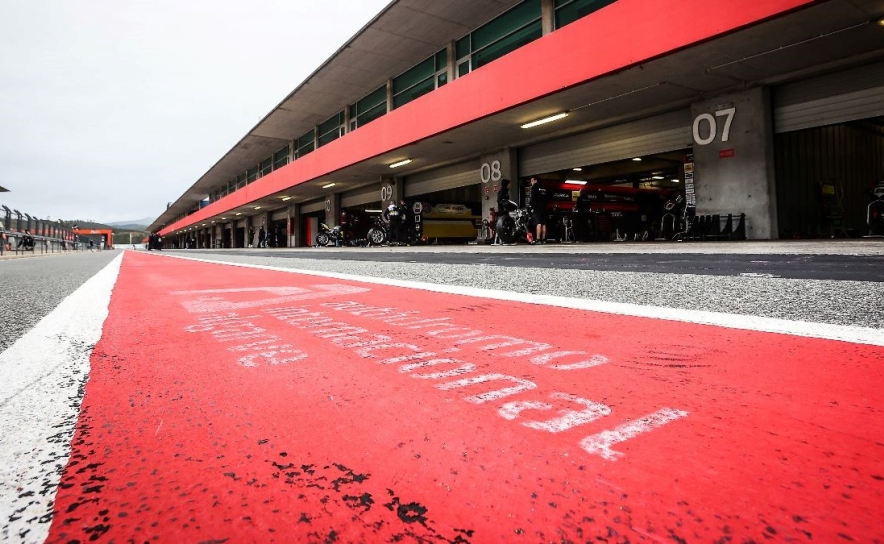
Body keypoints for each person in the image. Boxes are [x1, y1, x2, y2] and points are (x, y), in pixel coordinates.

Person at [528, 177, 548, 243]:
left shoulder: (534, 187)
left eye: (532, 181)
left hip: (537, 208)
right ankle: (544, 239)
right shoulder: (544, 188)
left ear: (536, 181)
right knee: (544, 223)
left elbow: (532, 198)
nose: (531, 182)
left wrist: (531, 206)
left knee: (538, 223)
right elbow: (547, 198)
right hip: (544, 208)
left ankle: (538, 239)